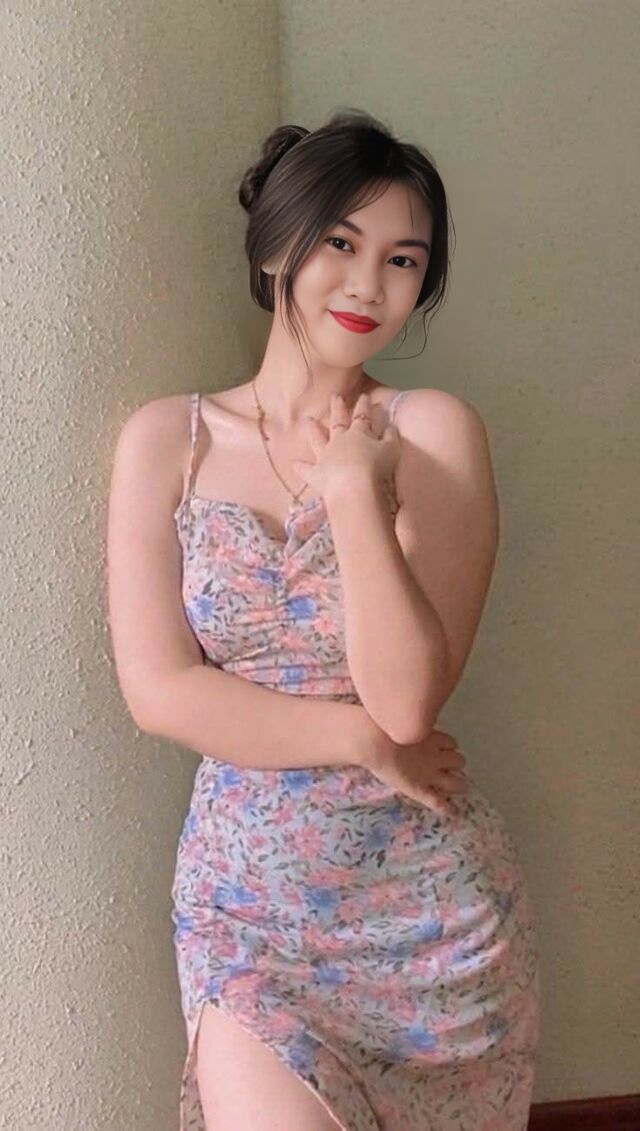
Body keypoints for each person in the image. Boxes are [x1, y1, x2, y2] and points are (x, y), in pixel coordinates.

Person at [107, 108, 541, 1131]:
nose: (367, 285)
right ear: (275, 250)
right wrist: (356, 741)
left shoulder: (432, 432)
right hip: (248, 911)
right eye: (340, 244)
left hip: (429, 919)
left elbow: (406, 703)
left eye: (403, 260)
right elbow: (158, 690)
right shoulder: (165, 440)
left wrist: (352, 492)